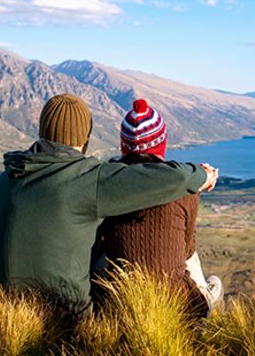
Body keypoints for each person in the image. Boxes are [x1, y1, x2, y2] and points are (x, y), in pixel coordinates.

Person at [0, 93, 218, 317]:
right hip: (64, 318)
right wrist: (202, 175)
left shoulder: (6, 178)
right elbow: (174, 178)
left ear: (42, 131)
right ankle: (203, 302)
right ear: (85, 138)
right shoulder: (84, 180)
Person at [91, 99, 223, 319]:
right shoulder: (185, 189)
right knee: (190, 255)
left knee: (103, 254)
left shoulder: (108, 185)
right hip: (178, 306)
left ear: (125, 145)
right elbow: (187, 249)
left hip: (120, 303)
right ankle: (205, 304)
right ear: (161, 143)